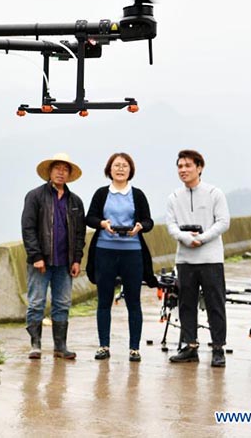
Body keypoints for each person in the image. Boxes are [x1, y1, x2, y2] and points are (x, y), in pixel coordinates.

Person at [85, 153, 158, 362]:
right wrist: (103, 224)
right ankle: (103, 346)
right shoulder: (101, 194)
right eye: (116, 165)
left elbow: (148, 221)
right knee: (104, 301)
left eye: (124, 166)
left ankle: (134, 348)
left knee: (133, 301)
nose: (120, 169)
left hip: (132, 252)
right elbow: (90, 217)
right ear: (109, 169)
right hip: (104, 251)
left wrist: (139, 227)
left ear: (130, 170)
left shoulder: (137, 194)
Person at [166, 149, 230, 367]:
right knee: (186, 304)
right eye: (180, 166)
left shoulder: (214, 193)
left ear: (199, 167)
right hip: (184, 260)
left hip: (211, 259)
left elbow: (223, 222)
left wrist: (202, 239)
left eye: (187, 166)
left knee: (215, 304)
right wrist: (184, 237)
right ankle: (190, 346)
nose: (183, 170)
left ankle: (218, 348)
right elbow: (171, 225)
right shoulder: (174, 197)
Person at [21, 152, 85, 360]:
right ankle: (35, 344)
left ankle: (60, 346)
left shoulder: (75, 201)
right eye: (57, 168)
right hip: (41, 261)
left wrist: (76, 259)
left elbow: (79, 234)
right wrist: (36, 255)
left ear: (69, 174)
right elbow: (28, 228)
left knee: (63, 303)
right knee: (37, 302)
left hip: (64, 262)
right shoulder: (35, 196)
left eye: (65, 169)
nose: (61, 172)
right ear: (49, 172)